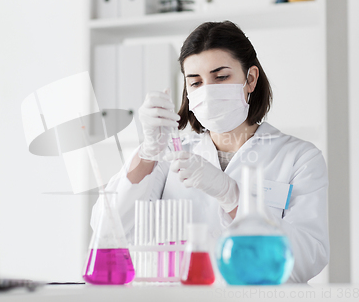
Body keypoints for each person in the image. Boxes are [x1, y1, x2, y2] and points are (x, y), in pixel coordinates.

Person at [90, 21, 329, 283]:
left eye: (221, 77)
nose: (208, 90)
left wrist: (232, 196)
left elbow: (307, 260)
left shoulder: (299, 158)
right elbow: (109, 230)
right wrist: (148, 152)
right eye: (195, 82)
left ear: (250, 79)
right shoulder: (169, 154)